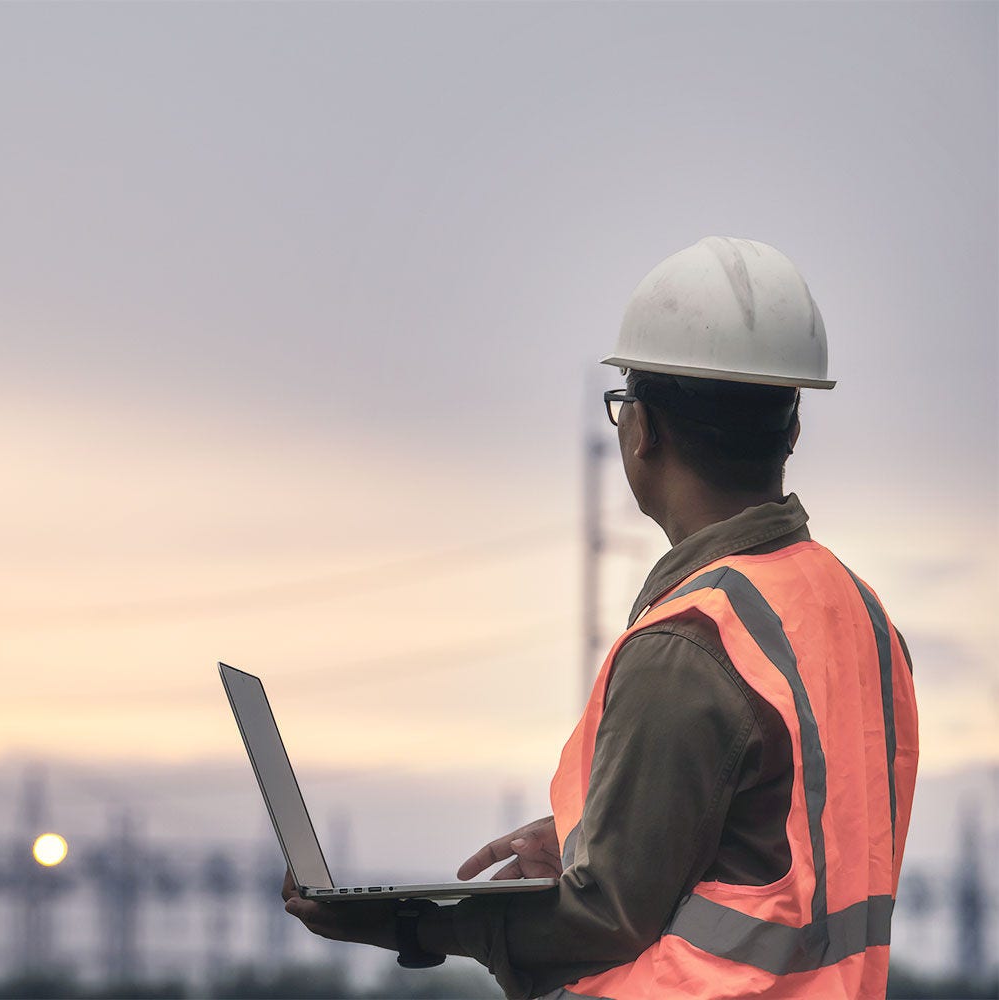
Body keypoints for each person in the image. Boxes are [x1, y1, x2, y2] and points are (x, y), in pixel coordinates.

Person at [282, 236, 919, 999]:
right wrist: (599, 834)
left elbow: (598, 922)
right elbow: (788, 849)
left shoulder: (691, 645)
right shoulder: (864, 619)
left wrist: (410, 924)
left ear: (641, 430)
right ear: (793, 429)